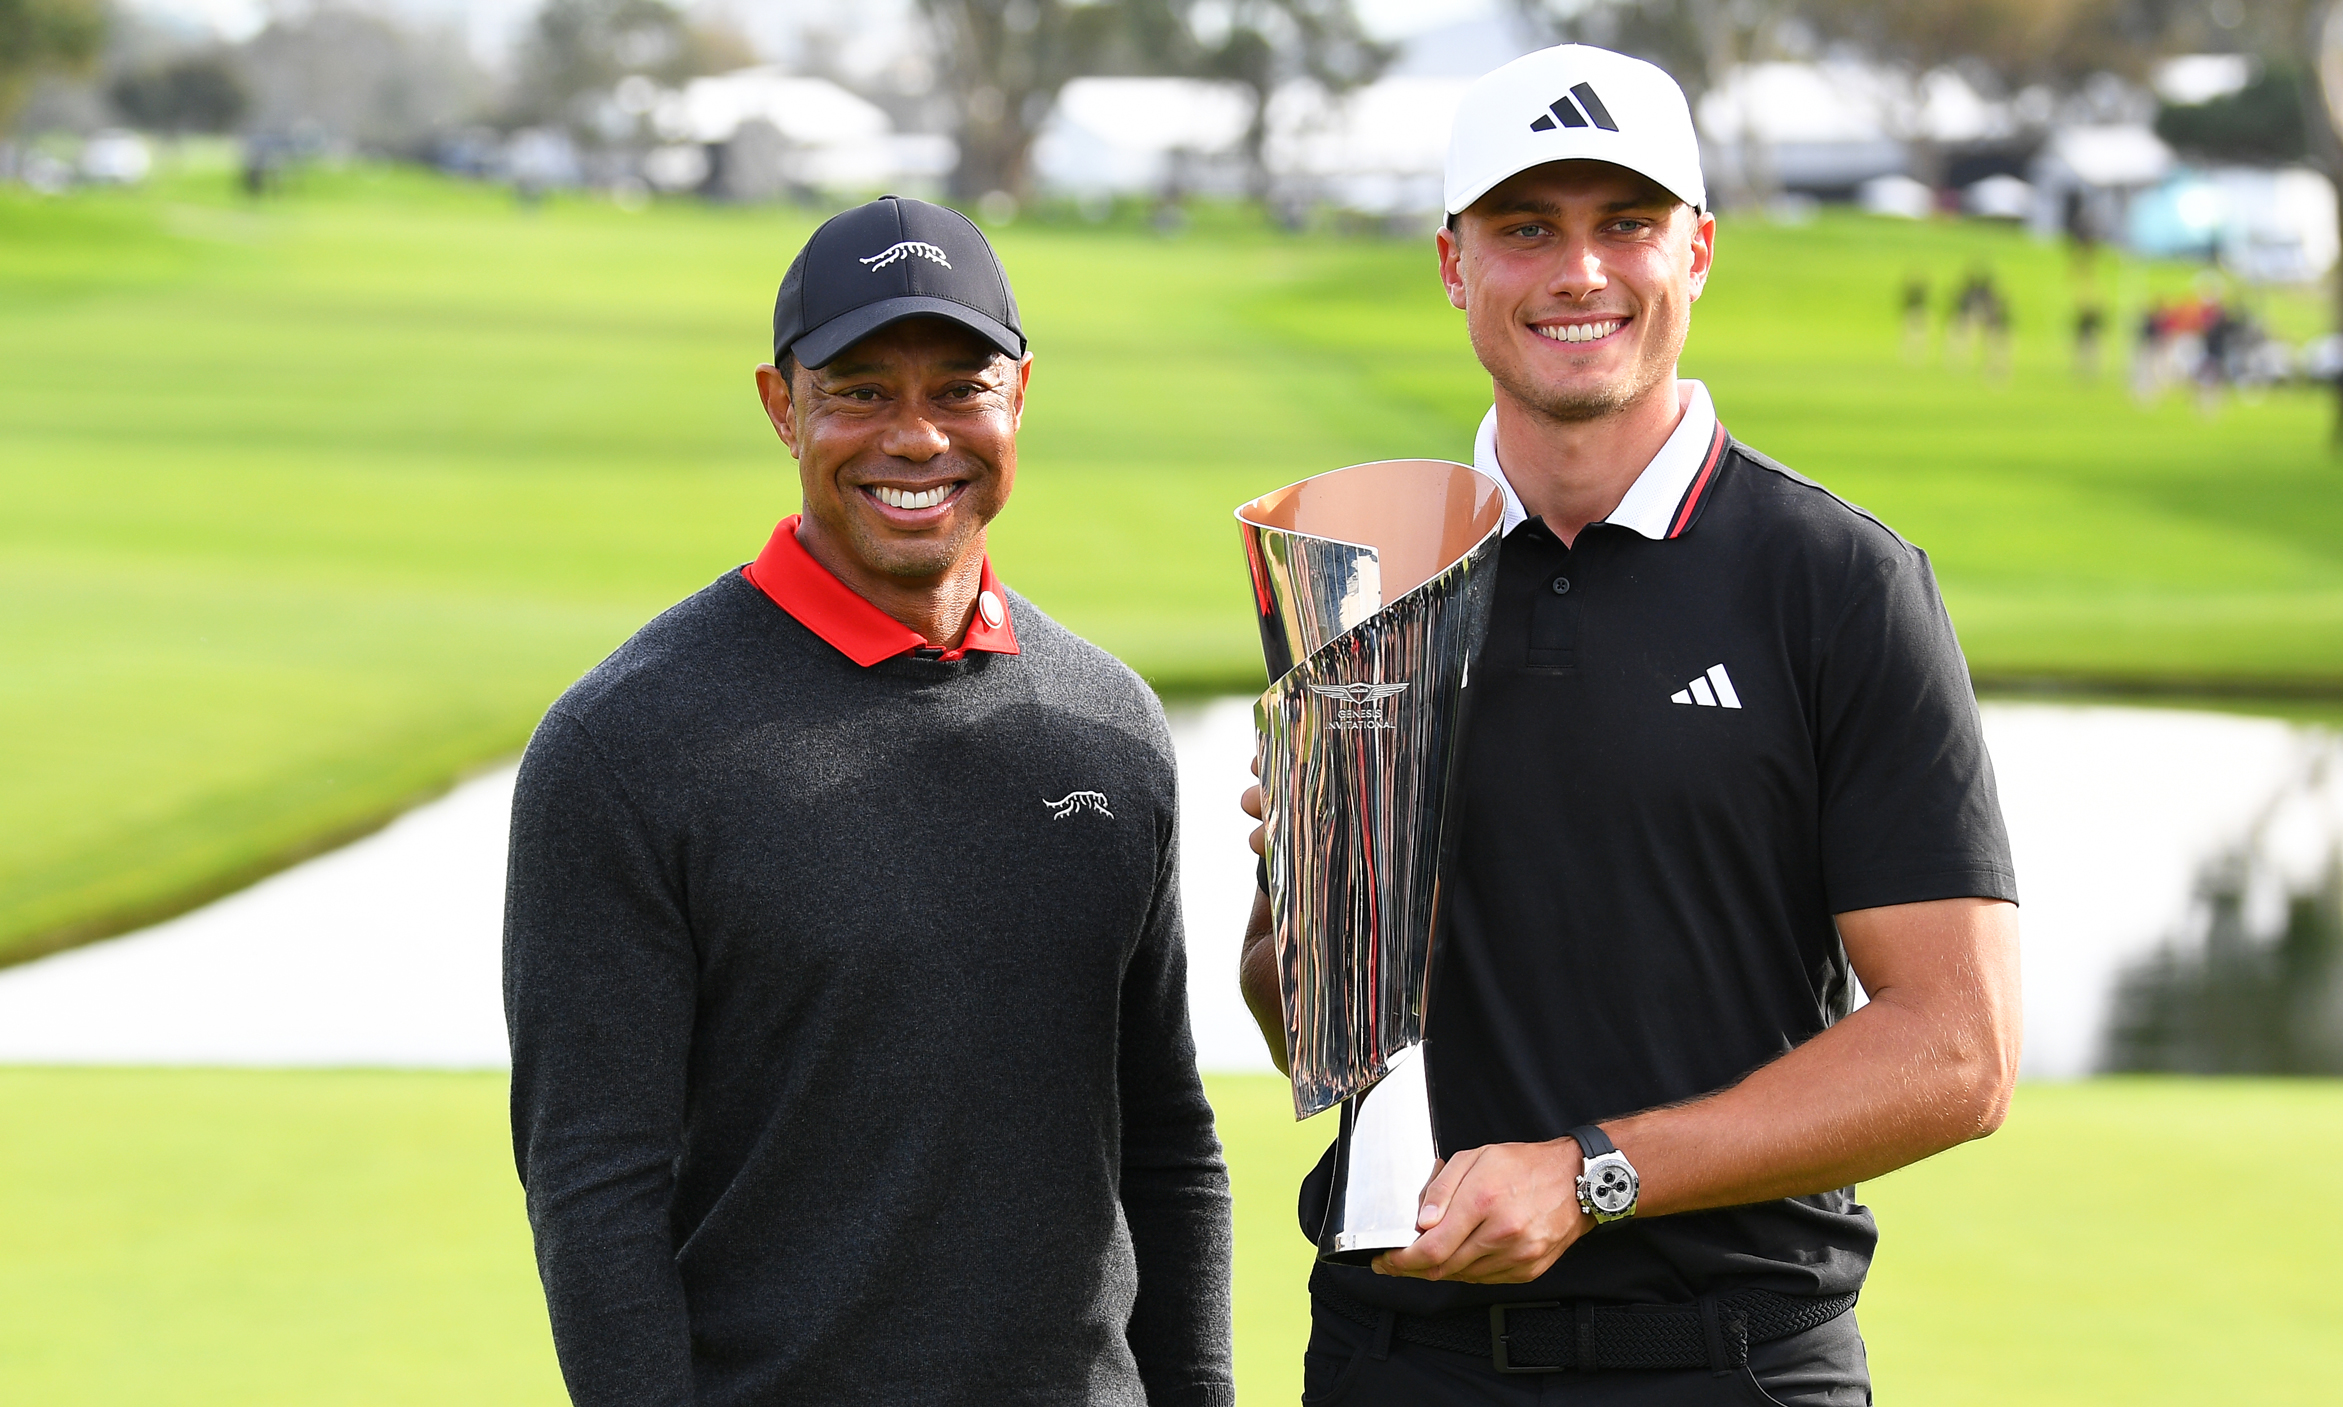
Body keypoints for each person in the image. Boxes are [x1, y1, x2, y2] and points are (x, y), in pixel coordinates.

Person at [1237, 46, 2020, 1405]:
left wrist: (1591, 1173)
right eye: (1528, 228)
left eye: (1627, 225)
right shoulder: (1362, 561)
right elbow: (1315, 1032)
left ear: (1699, 249)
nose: (1579, 272)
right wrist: (1313, 904)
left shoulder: (1834, 578)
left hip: (1731, 1359)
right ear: (1453, 262)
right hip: (1394, 1353)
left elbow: (1958, 1046)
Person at [504, 195, 1232, 1407]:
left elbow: (1166, 1141)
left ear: (1019, 397)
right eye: (858, 390)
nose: (916, 436)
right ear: (780, 405)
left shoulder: (1110, 725)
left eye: (959, 386)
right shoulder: (623, 744)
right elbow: (592, 1189)